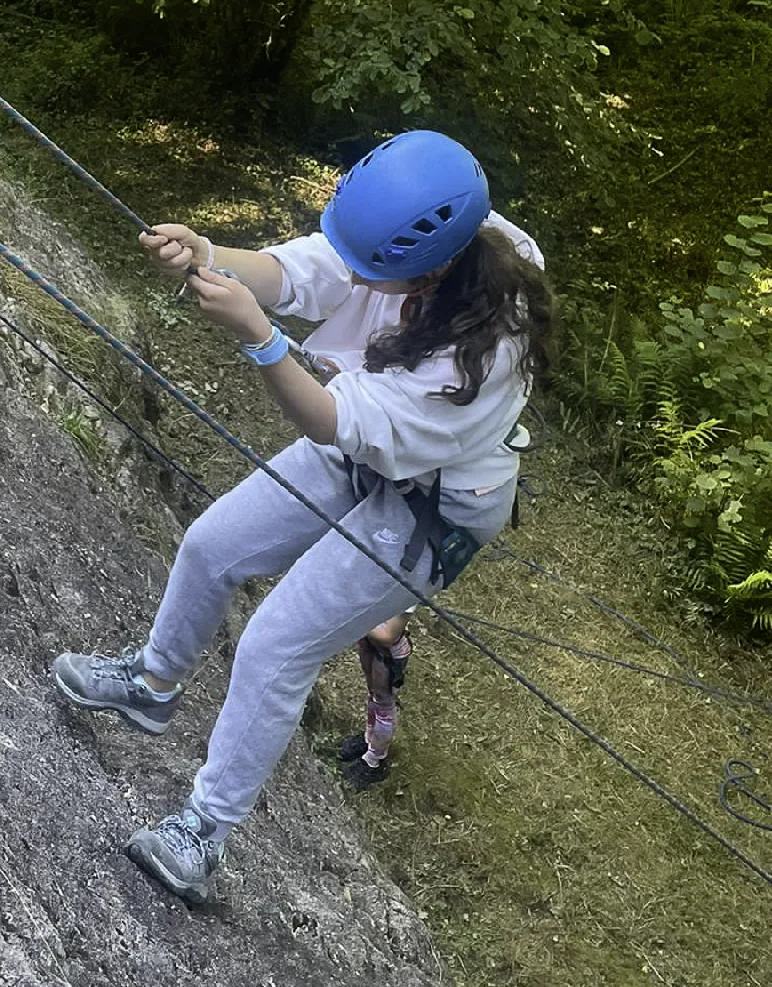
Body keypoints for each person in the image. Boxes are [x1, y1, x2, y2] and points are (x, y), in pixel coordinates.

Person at [51, 129, 552, 904]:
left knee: (276, 645)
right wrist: (208, 252)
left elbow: (330, 418)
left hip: (432, 506)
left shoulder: (475, 361)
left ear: (434, 268)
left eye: (371, 268)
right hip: (366, 440)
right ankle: (152, 683)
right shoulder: (433, 235)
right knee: (212, 543)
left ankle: (203, 833)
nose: (357, 274)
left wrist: (259, 338)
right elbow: (310, 270)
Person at [337, 609, 414, 791]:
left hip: (388, 652)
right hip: (370, 639)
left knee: (383, 705)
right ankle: (370, 740)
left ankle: (375, 761)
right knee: (374, 695)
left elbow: (389, 636)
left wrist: (356, 619)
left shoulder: (408, 595)